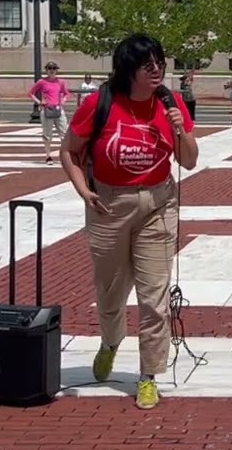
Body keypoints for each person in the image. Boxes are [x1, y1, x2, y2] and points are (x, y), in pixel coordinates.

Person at [59, 34, 197, 410]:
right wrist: (82, 191)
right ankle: (110, 341)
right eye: (147, 65)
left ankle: (148, 375)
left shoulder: (171, 103)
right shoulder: (99, 103)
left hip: (157, 204)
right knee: (110, 291)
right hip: (108, 206)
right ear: (128, 70)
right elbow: (68, 151)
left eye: (160, 63)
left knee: (154, 298)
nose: (157, 71)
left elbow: (189, 161)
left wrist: (179, 127)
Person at [30, 61, 70, 165]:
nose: (52, 70)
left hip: (58, 109)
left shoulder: (60, 82)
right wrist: (39, 102)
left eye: (54, 68)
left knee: (64, 134)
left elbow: (66, 94)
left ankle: (65, 156)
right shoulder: (42, 82)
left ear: (56, 70)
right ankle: (48, 156)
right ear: (46, 70)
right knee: (47, 134)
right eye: (50, 68)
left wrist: (63, 101)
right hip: (47, 109)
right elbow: (31, 93)